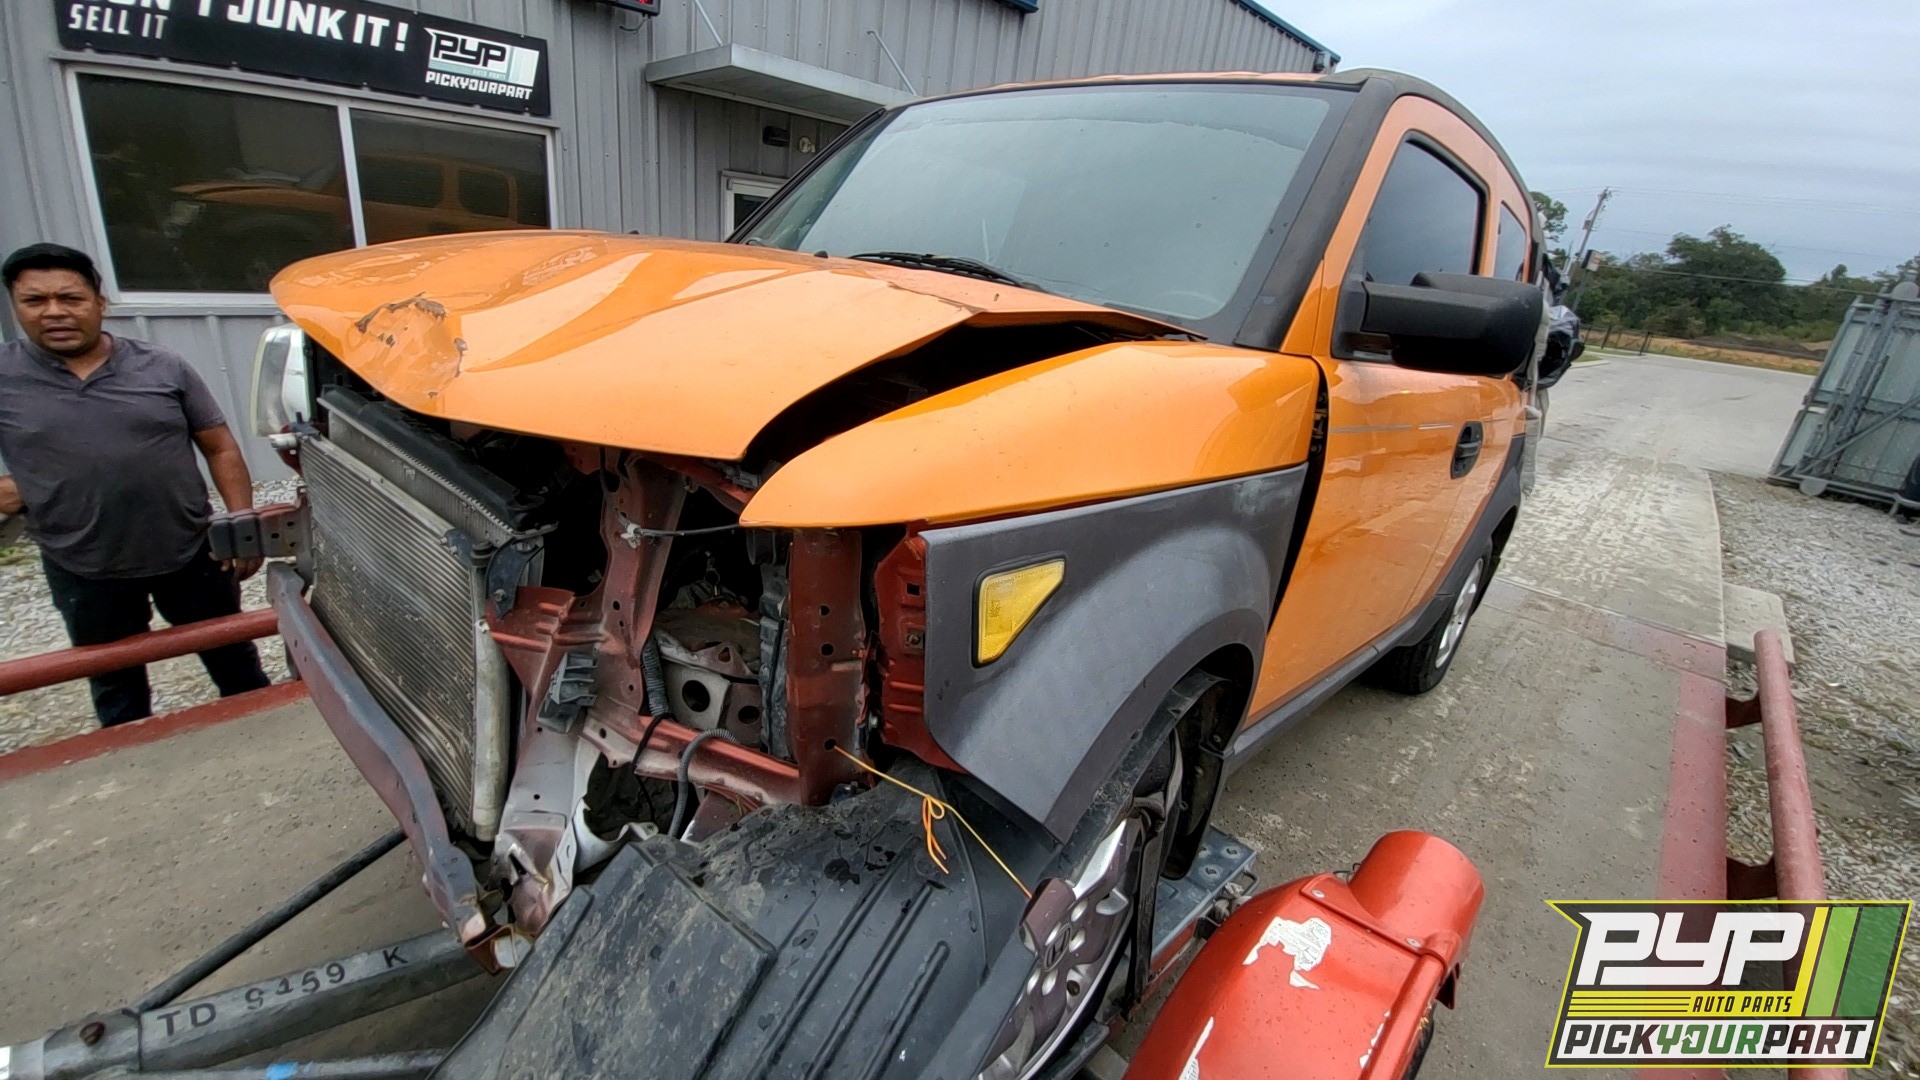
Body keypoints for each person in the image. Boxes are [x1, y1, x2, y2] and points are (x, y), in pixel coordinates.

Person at [0, 243, 269, 726]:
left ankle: (268, 742)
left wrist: (240, 520)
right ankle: (132, 762)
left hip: (192, 552)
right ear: (15, 307)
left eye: (70, 298)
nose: (55, 312)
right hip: (81, 562)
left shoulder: (162, 367)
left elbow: (221, 446)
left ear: (100, 303)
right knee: (114, 679)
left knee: (234, 659)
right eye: (35, 301)